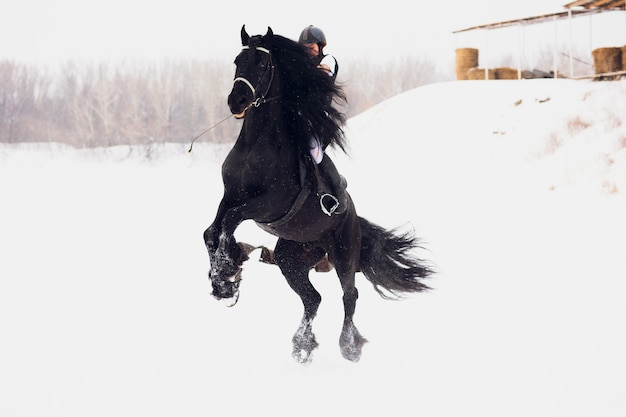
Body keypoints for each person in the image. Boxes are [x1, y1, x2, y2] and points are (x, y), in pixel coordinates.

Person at [298, 25, 346, 215]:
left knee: (314, 151)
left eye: (312, 45)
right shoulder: (300, 64)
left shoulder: (328, 60)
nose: (309, 48)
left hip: (319, 120)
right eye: (305, 45)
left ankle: (335, 191)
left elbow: (322, 75)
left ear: (320, 46)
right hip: (300, 119)